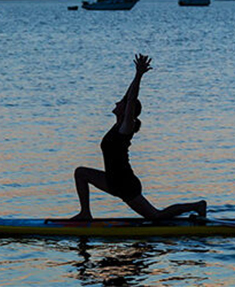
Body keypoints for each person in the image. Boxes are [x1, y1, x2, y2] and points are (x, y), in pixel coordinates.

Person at [71, 54, 207, 220]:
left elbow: (132, 99)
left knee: (156, 217)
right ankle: (85, 213)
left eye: (121, 103)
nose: (116, 103)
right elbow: (129, 98)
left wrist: (139, 75)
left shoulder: (126, 127)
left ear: (127, 110)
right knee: (81, 173)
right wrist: (134, 76)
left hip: (125, 184)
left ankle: (197, 205)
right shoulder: (117, 125)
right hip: (112, 181)